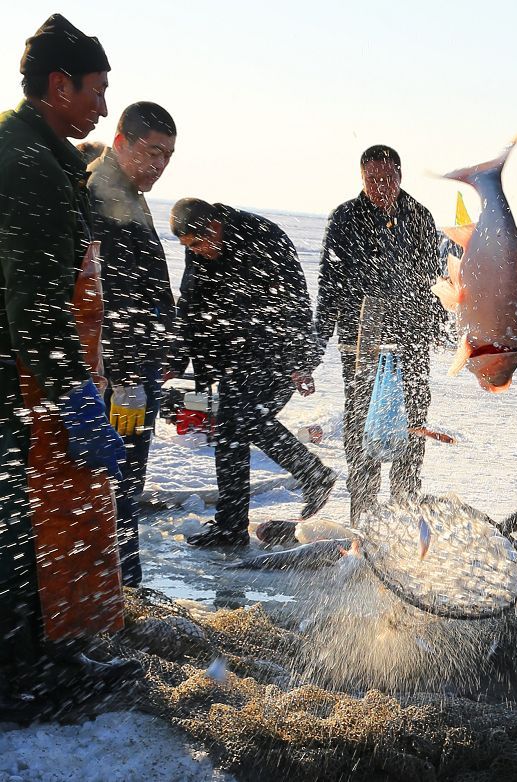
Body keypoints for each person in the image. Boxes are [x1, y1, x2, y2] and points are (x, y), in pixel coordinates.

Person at [0, 13, 140, 718]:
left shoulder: (38, 152)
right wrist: (76, 400)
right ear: (58, 85)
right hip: (12, 377)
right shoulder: (27, 166)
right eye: (95, 89)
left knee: (27, 525)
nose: (103, 105)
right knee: (11, 529)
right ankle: (18, 681)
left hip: (27, 375)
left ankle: (37, 653)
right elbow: (35, 308)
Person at [170, 198, 334, 547]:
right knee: (233, 430)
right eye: (189, 248)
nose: (197, 253)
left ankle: (310, 474)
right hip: (232, 354)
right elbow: (191, 301)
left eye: (199, 244)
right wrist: (178, 356)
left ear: (214, 225)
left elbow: (295, 301)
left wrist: (301, 360)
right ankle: (233, 525)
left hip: (271, 349)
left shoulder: (263, 235)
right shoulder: (199, 248)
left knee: (241, 422)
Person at [315, 145, 440, 525]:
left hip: (410, 333)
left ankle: (404, 504)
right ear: (361, 178)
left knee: (412, 416)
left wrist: (433, 326)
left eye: (389, 179)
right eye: (373, 180)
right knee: (361, 420)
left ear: (401, 177)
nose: (382, 187)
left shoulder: (419, 217)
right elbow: (330, 284)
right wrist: (317, 342)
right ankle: (364, 511)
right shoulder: (345, 218)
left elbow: (432, 280)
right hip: (360, 334)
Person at [88, 101, 178, 585]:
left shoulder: (129, 191)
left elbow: (149, 285)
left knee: (126, 478)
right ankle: (117, 588)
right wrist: (125, 377)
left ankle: (123, 582)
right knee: (113, 481)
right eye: (152, 151)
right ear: (121, 142)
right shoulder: (99, 194)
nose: (160, 165)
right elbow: (106, 297)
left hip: (134, 369)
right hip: (115, 376)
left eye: (168, 156)